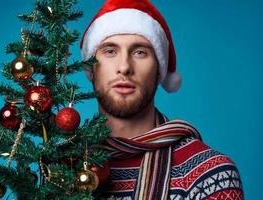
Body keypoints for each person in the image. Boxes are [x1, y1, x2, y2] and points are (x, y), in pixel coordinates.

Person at [80, 0, 244, 199]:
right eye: (110, 51)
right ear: (91, 68)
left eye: (140, 52)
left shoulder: (209, 175)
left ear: (159, 69)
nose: (124, 67)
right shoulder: (64, 166)